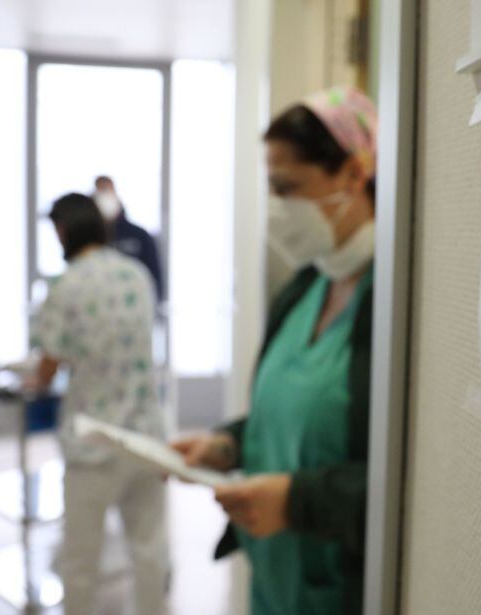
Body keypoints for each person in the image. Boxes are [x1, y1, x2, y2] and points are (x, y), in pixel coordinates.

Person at [172, 86, 378, 615]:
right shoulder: (306, 288)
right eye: (272, 189)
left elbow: (405, 477)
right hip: (273, 583)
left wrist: (295, 501)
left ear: (355, 175)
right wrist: (227, 445)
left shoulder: (392, 304)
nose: (279, 209)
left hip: (337, 588)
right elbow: (284, 415)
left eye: (289, 187)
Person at [28, 193, 169, 615]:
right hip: (144, 435)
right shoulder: (136, 275)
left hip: (93, 442)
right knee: (148, 551)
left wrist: (39, 374)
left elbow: (48, 365)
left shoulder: (66, 285)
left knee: (81, 561)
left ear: (65, 231)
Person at [92, 176, 166, 304]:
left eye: (107, 191)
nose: (103, 197)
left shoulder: (139, 235)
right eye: (100, 192)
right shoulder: (89, 239)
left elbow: (156, 276)